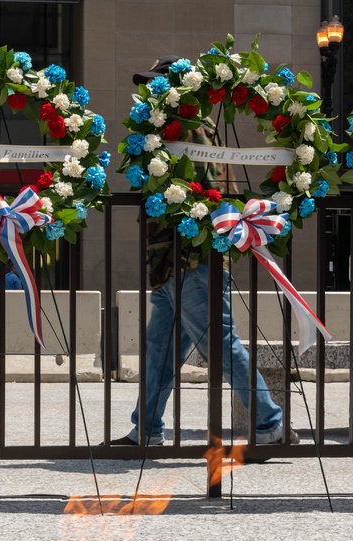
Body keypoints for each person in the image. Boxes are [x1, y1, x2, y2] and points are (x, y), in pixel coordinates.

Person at [111, 56, 297, 447]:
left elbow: (208, 195)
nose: (148, 92)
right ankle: (146, 430)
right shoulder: (170, 130)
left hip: (191, 261)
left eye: (156, 84)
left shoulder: (190, 130)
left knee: (222, 346)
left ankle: (271, 425)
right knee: (160, 350)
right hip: (168, 261)